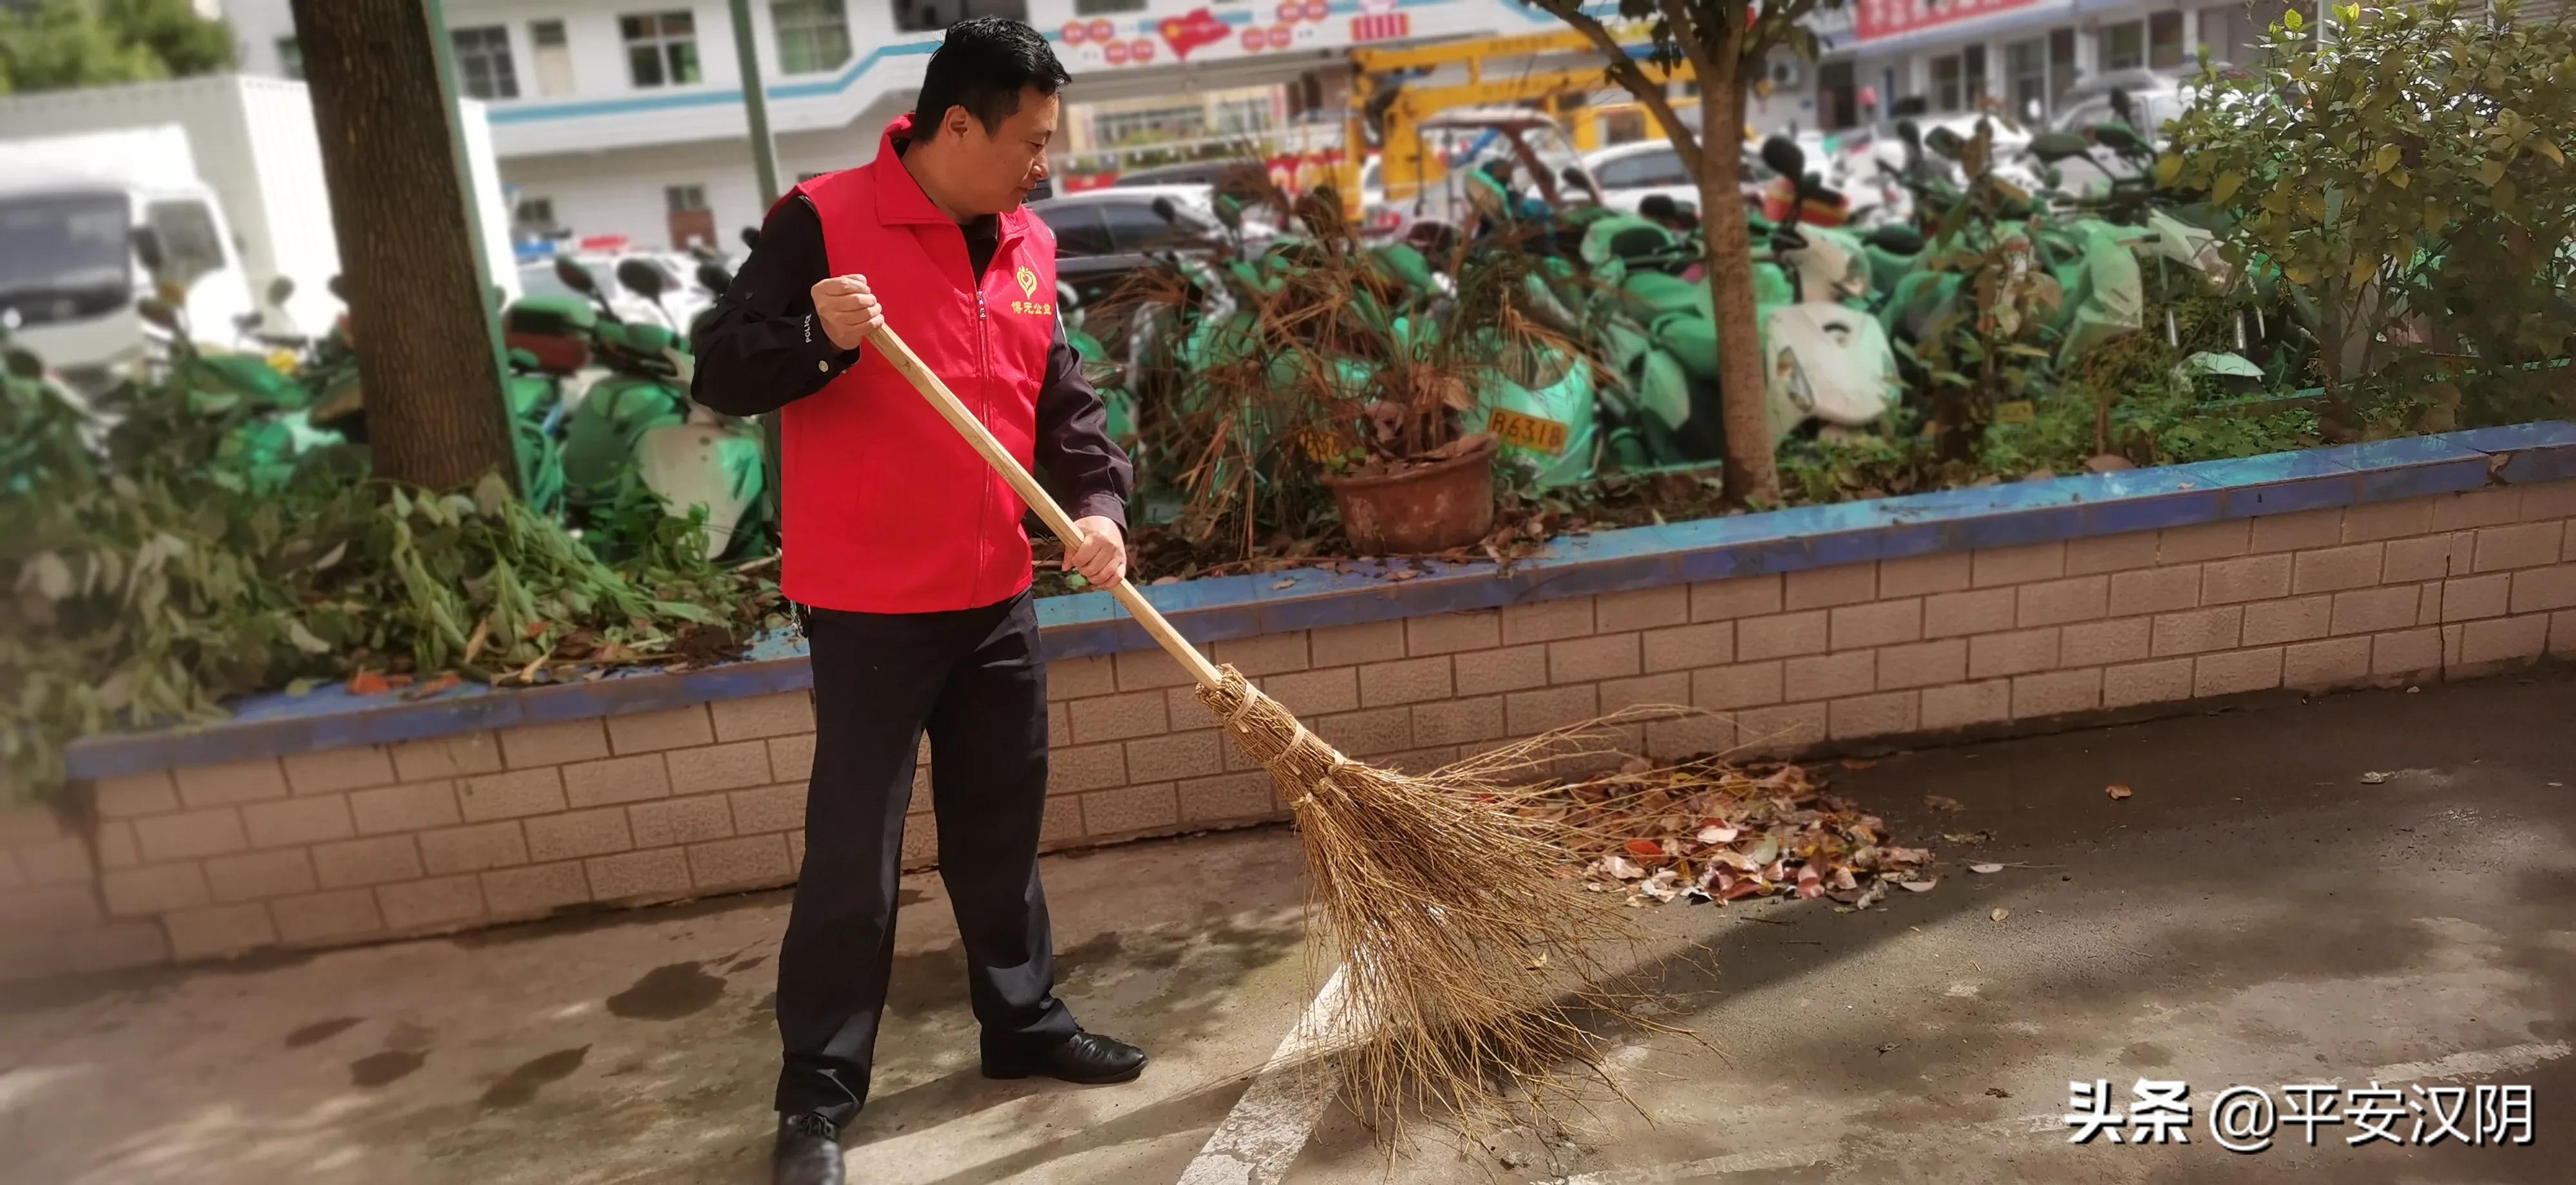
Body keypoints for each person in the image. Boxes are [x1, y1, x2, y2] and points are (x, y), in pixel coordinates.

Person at [688, 17, 1143, 1185]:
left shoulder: (1030, 244)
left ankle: (1023, 1023)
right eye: (1033, 140)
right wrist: (818, 338)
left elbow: (1066, 406)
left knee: (1001, 836)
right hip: (870, 608)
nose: (1046, 163)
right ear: (957, 125)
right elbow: (723, 365)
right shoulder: (825, 220)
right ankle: (818, 1098)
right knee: (856, 856)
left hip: (996, 595)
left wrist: (1100, 509)